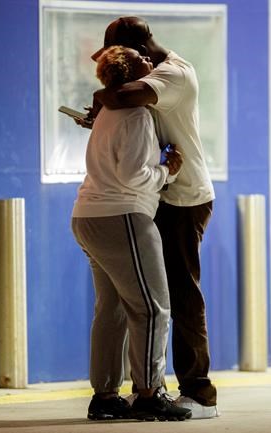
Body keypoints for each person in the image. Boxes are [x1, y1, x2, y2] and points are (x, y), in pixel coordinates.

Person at [88, 16, 218, 419]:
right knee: (141, 299)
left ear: (142, 53)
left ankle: (198, 391)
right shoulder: (140, 89)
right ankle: (142, 388)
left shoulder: (174, 73)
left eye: (120, 57)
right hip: (153, 197)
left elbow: (122, 96)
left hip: (183, 197)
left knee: (178, 294)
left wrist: (102, 95)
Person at [71, 45, 191, 422]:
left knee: (112, 309)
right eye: (141, 60)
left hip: (88, 216)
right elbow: (133, 175)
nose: (149, 62)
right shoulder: (136, 115)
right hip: (122, 217)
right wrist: (168, 170)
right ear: (129, 72)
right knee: (153, 308)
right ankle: (149, 393)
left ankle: (105, 396)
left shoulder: (107, 113)